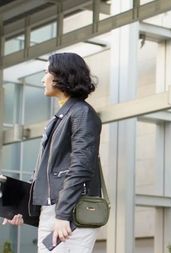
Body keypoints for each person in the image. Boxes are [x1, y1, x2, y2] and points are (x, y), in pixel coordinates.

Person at [4, 52, 102, 253]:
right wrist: (22, 209)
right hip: (55, 212)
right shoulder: (58, 118)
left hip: (71, 213)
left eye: (47, 72)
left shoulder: (82, 114)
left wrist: (63, 214)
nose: (43, 79)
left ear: (62, 75)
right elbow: (42, 173)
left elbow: (81, 167)